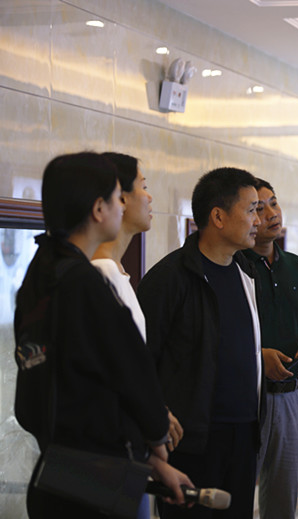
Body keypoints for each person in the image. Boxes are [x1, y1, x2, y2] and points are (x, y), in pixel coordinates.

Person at [14, 152, 192, 519]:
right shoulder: (85, 282)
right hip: (94, 484)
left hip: (57, 470)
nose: (122, 206)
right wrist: (157, 435)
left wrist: (148, 460)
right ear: (98, 209)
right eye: (116, 198)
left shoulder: (41, 272)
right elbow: (131, 368)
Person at [137, 167, 265, 519]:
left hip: (244, 435)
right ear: (218, 217)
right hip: (192, 442)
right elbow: (141, 363)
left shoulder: (246, 271)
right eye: (251, 209)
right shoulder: (169, 279)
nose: (259, 219)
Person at [91, 152, 184, 519]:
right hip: (113, 458)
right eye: (143, 186)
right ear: (119, 198)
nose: (150, 197)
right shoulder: (101, 276)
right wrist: (153, 423)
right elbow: (115, 377)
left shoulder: (115, 273)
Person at [241, 178, 298, 519]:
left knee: (282, 499)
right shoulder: (236, 266)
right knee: (237, 494)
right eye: (259, 208)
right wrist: (258, 356)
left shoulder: (296, 266)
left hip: (290, 396)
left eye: (274, 203)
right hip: (249, 396)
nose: (272, 214)